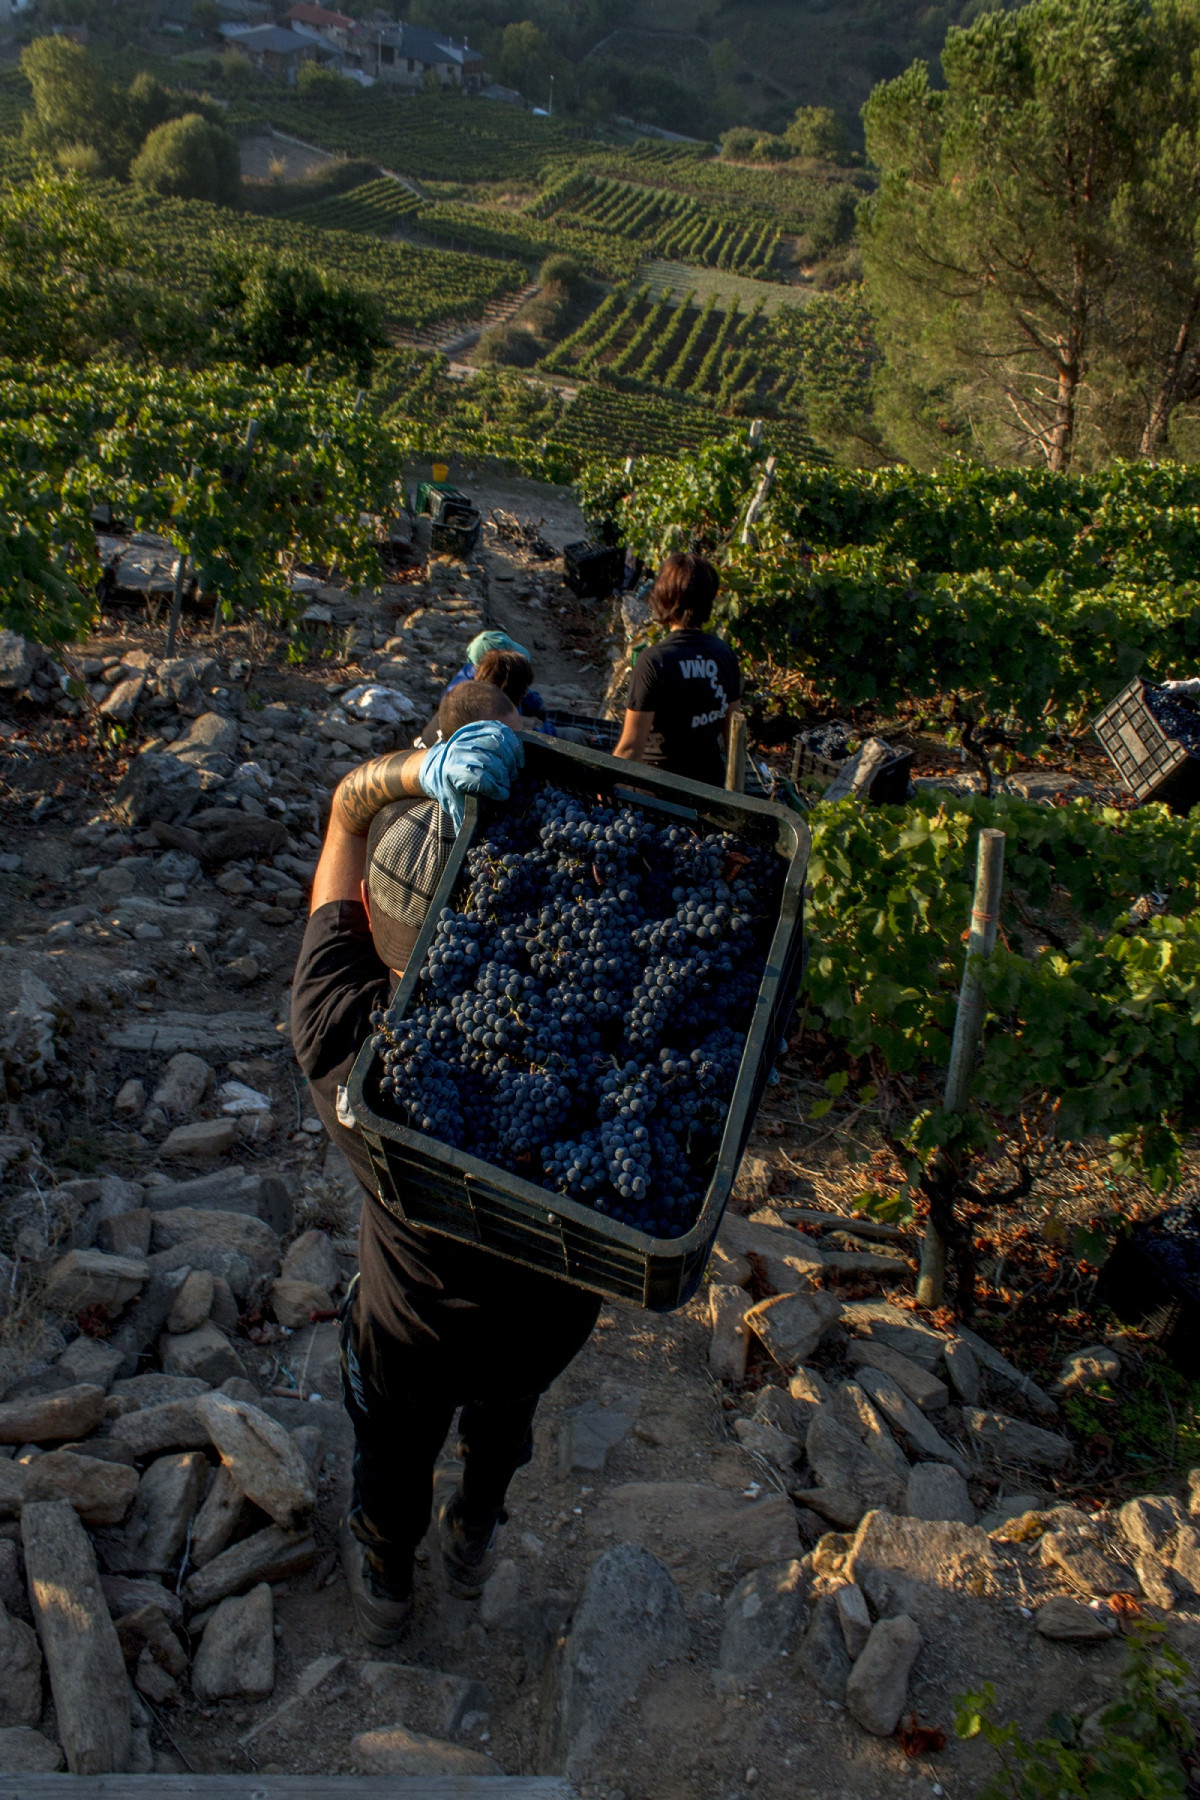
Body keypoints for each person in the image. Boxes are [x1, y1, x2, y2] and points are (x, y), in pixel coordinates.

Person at [291, 682, 602, 1646]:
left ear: (376, 928)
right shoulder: (578, 1026)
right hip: (543, 1329)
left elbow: (346, 822)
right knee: (505, 1425)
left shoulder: (341, 1041)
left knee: (390, 1437)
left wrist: (391, 781)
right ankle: (473, 1540)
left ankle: (388, 1574)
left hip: (408, 1331)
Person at [613, 551, 741, 789]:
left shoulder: (654, 661)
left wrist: (601, 786)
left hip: (660, 794)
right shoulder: (725, 655)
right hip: (708, 789)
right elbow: (733, 738)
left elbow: (631, 748)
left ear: (664, 597)